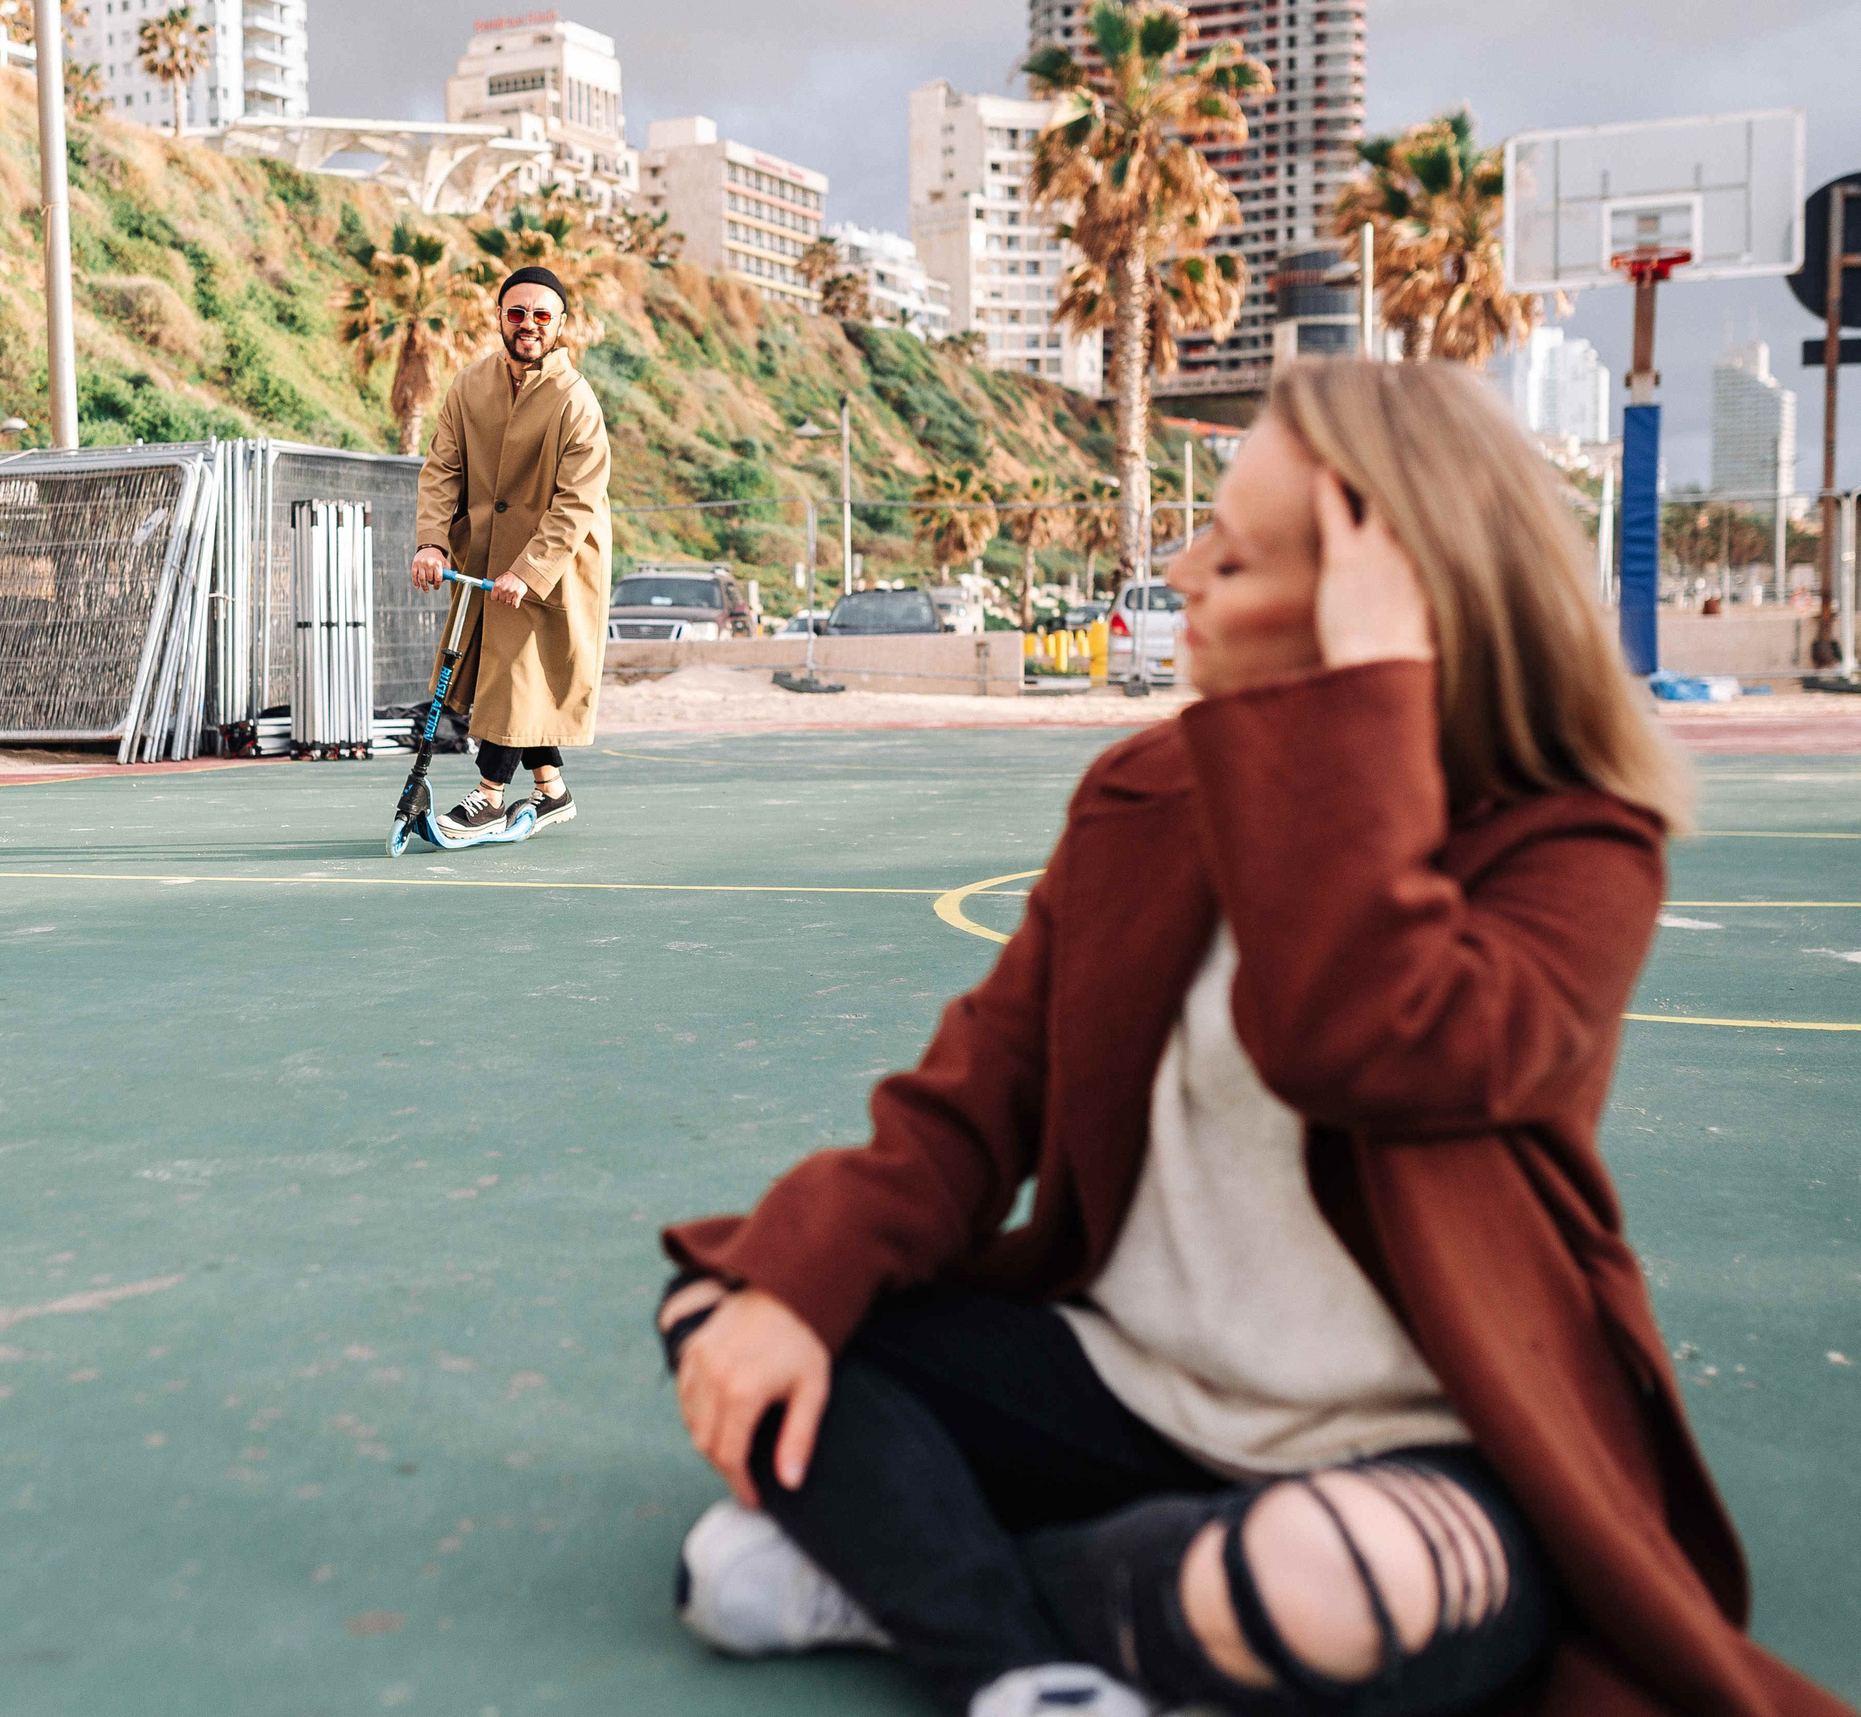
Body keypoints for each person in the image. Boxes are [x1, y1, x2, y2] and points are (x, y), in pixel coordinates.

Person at [652, 359, 1852, 1717]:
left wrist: (1365, 698)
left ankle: (926, 1574)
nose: (1181, 563)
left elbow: (1360, 1039)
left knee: (1335, 1582)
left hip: (1424, 1440)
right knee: (731, 1299)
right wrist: (793, 1292)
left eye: (1238, 544)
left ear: (1395, 592)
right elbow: (969, 1109)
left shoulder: (1574, 845)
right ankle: (1028, 1674)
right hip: (1135, 1393)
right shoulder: (1145, 794)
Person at [409, 265, 612, 839]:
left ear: (560, 325)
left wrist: (529, 569)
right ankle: (551, 788)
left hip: (556, 564)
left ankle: (489, 796)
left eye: (541, 315)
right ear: (500, 317)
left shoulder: (576, 400)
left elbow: (577, 502)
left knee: (515, 675)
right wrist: (431, 540)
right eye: (517, 312)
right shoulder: (469, 386)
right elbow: (441, 468)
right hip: (485, 558)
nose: (528, 324)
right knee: (510, 676)